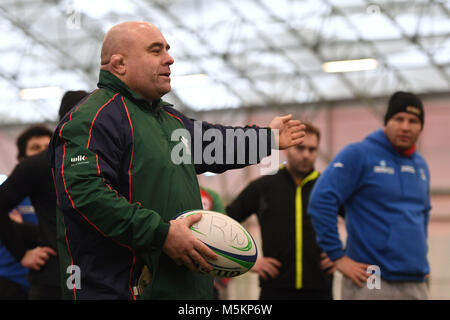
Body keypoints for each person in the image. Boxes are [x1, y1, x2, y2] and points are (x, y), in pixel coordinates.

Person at [48, 21, 306, 300]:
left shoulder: (169, 120)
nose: (169, 58)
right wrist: (162, 234)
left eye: (167, 50)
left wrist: (265, 139)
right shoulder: (91, 118)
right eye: (155, 50)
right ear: (119, 64)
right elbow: (86, 195)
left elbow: (213, 144)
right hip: (117, 291)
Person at [308, 91, 431, 300]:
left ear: (421, 127)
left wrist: (421, 264)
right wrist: (337, 256)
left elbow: (423, 216)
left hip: (415, 280)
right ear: (386, 122)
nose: (405, 126)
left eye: (413, 121)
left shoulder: (421, 166)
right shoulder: (359, 155)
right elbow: (321, 199)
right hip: (371, 279)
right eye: (398, 119)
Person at [226, 122, 339, 300]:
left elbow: (362, 220)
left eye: (312, 149)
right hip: (274, 290)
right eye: (300, 148)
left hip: (320, 289)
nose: (306, 155)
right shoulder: (263, 187)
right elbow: (226, 221)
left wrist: (344, 255)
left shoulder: (329, 187)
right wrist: (249, 261)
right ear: (287, 149)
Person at [0, 91, 89, 300]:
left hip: (101, 275)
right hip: (53, 279)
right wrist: (22, 254)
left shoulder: (105, 159)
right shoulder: (39, 164)